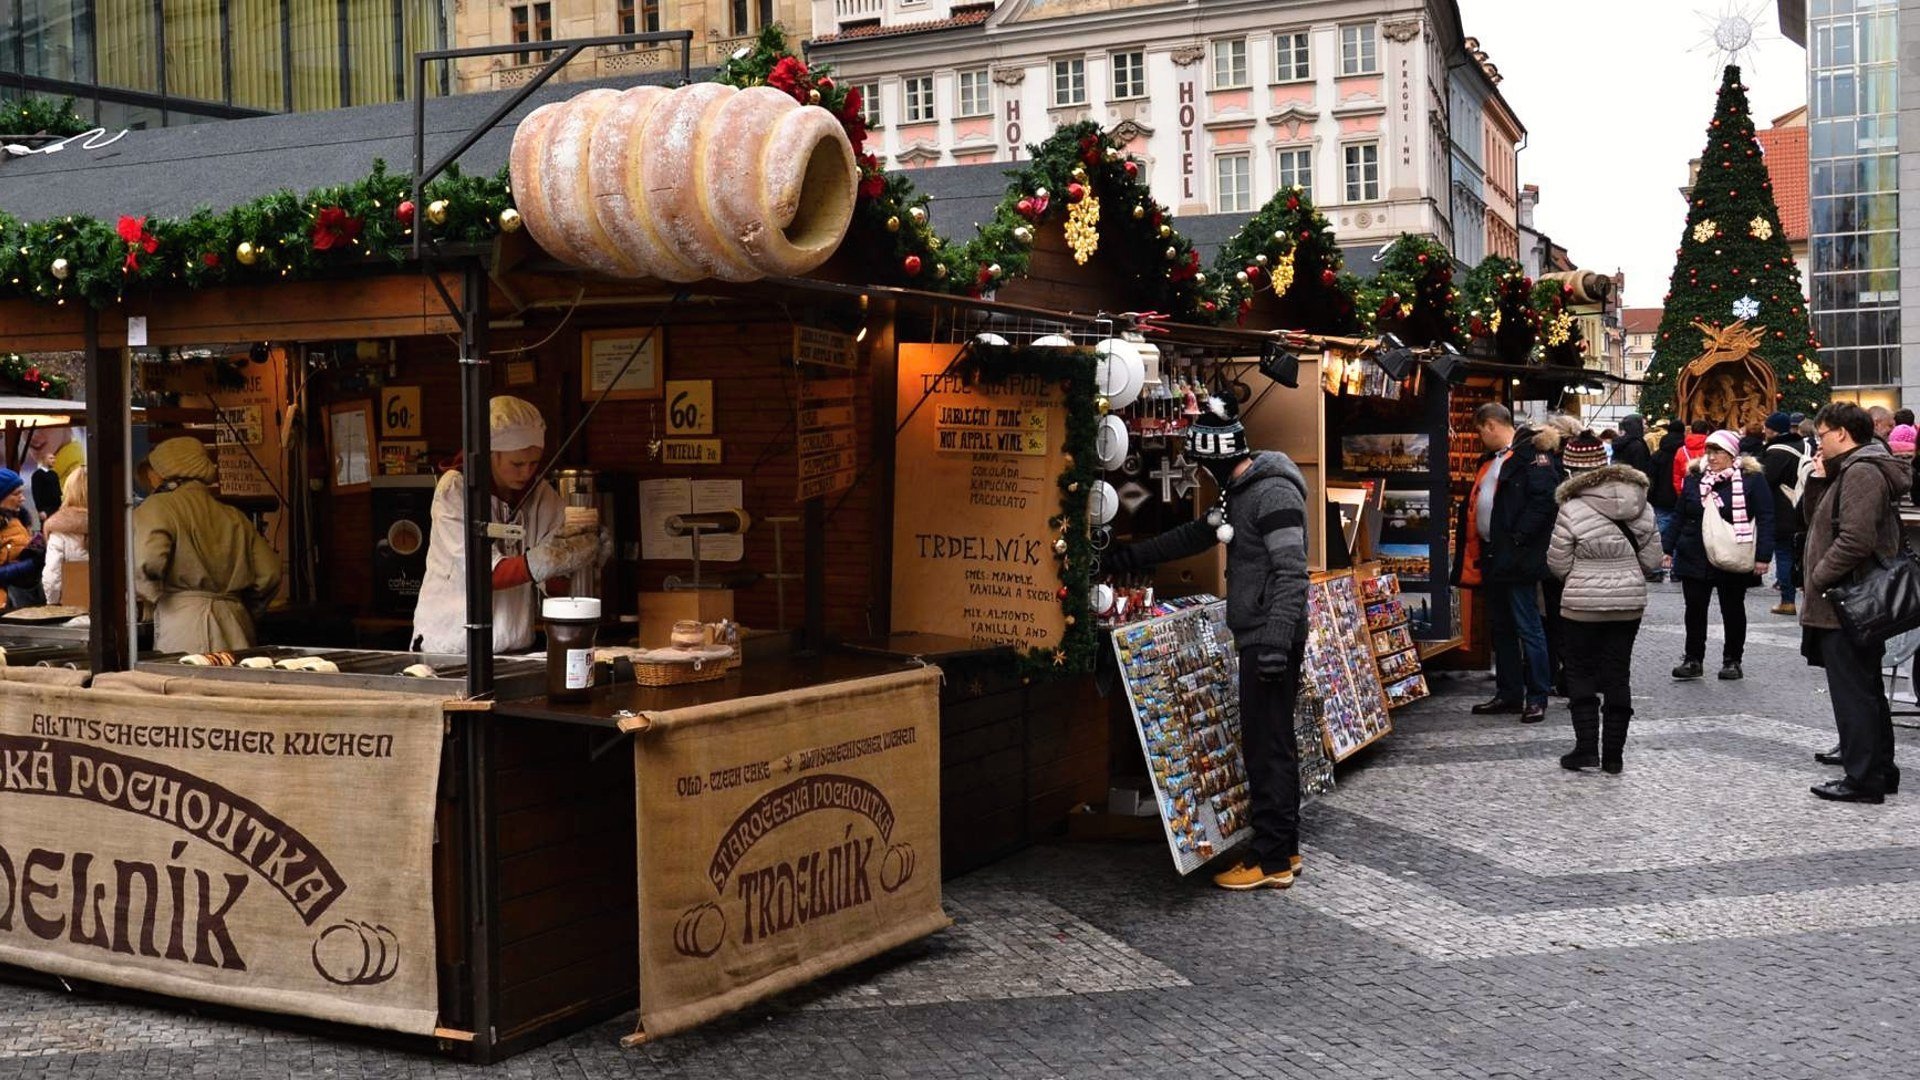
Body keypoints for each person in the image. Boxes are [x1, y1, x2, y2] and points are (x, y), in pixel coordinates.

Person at [1101, 394, 1310, 890]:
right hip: (1263, 632)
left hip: (1269, 635)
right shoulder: (1237, 491)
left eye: (1203, 462)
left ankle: (1272, 860)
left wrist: (1276, 643)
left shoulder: (1272, 493)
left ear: (1218, 456)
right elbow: (1195, 536)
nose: (1200, 472)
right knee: (1272, 740)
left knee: (1267, 745)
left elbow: (1292, 573)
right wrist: (1126, 559)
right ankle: (1286, 847)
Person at [414, 395, 609, 656]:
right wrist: (545, 561)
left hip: (514, 648)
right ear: (490, 454)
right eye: (516, 464)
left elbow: (554, 583)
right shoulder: (456, 490)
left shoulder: (540, 494)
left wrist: (581, 556)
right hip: (452, 647)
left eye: (534, 463)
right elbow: (483, 574)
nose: (526, 472)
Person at [1799, 401, 1906, 803]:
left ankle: (1863, 779)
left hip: (1848, 599)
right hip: (1845, 599)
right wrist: (1818, 479)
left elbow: (1856, 539)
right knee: (1865, 688)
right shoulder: (1849, 470)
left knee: (1854, 693)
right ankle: (1880, 770)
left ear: (1842, 433)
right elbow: (1816, 522)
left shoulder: (1862, 472)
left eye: (1821, 435)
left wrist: (1819, 576)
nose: (1818, 443)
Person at [1546, 433, 1663, 773]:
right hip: (1627, 604)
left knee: (1580, 672)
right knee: (1617, 674)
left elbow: (1557, 563)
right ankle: (1614, 756)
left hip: (1581, 604)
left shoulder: (1570, 508)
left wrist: (1582, 574)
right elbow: (1653, 560)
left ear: (1572, 468)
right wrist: (1626, 571)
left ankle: (1586, 750)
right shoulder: (1641, 502)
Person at [1450, 403, 1559, 723]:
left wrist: (1518, 538)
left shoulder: (1531, 456)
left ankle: (1537, 694)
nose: (1479, 438)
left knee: (1528, 625)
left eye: (1480, 431)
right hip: (1492, 554)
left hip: (1517, 556)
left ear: (1491, 426)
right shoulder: (1492, 460)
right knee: (1502, 628)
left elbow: (1544, 501)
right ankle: (1509, 693)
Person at [133, 438, 282, 652]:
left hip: (186, 625)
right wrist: (242, 609)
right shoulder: (234, 516)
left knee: (189, 684)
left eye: (151, 474)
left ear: (165, 472)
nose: (150, 482)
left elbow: (148, 561)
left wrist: (152, 598)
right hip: (237, 625)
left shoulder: (158, 506)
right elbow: (270, 574)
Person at [1662, 429, 1775, 680]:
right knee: (1694, 610)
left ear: (1732, 453)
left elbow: (1766, 517)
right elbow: (1679, 514)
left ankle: (1732, 660)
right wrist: (1667, 547)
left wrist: (1763, 556)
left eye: (1718, 452)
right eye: (1709, 451)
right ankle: (1693, 659)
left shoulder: (1751, 479)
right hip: (1694, 552)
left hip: (1731, 552)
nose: (1711, 457)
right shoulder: (1694, 478)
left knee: (1732, 609)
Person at [1760, 412, 1808, 616]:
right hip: (1805, 507)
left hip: (1783, 510)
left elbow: (1764, 481)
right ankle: (1809, 598)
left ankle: (1787, 600)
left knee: (1784, 553)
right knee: (1804, 554)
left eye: (1766, 427)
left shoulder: (1776, 452)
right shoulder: (1806, 446)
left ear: (1772, 429)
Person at [40, 466, 86, 605]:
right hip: (118, 613)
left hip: (76, 612)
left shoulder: (59, 529)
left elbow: (52, 578)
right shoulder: (116, 524)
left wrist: (53, 604)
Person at [0, 469, 43, 609]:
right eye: (16, 493)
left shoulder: (17, 521)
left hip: (19, 602)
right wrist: (31, 563)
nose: (23, 498)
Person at [1610, 414, 1655, 489]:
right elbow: (1640, 468)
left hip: (1620, 484)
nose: (1646, 426)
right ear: (1636, 425)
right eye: (1643, 424)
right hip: (1634, 486)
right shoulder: (1637, 445)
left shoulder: (1621, 442)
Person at [1672, 418, 1711, 500]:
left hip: (1686, 490)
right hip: (1709, 491)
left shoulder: (1681, 450)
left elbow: (1677, 474)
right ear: (1707, 431)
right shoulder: (1712, 450)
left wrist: (1679, 492)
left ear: (1692, 431)